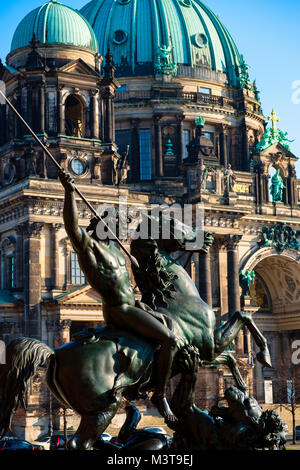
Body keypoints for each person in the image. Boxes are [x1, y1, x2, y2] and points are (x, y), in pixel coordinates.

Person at [58, 169, 178, 421]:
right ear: (101, 224)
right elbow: (71, 227)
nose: (117, 228)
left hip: (132, 305)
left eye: (119, 225)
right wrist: (69, 192)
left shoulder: (115, 250)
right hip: (119, 310)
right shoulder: (90, 248)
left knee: (170, 322)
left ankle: (143, 377)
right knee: (169, 340)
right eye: (113, 223)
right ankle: (160, 394)